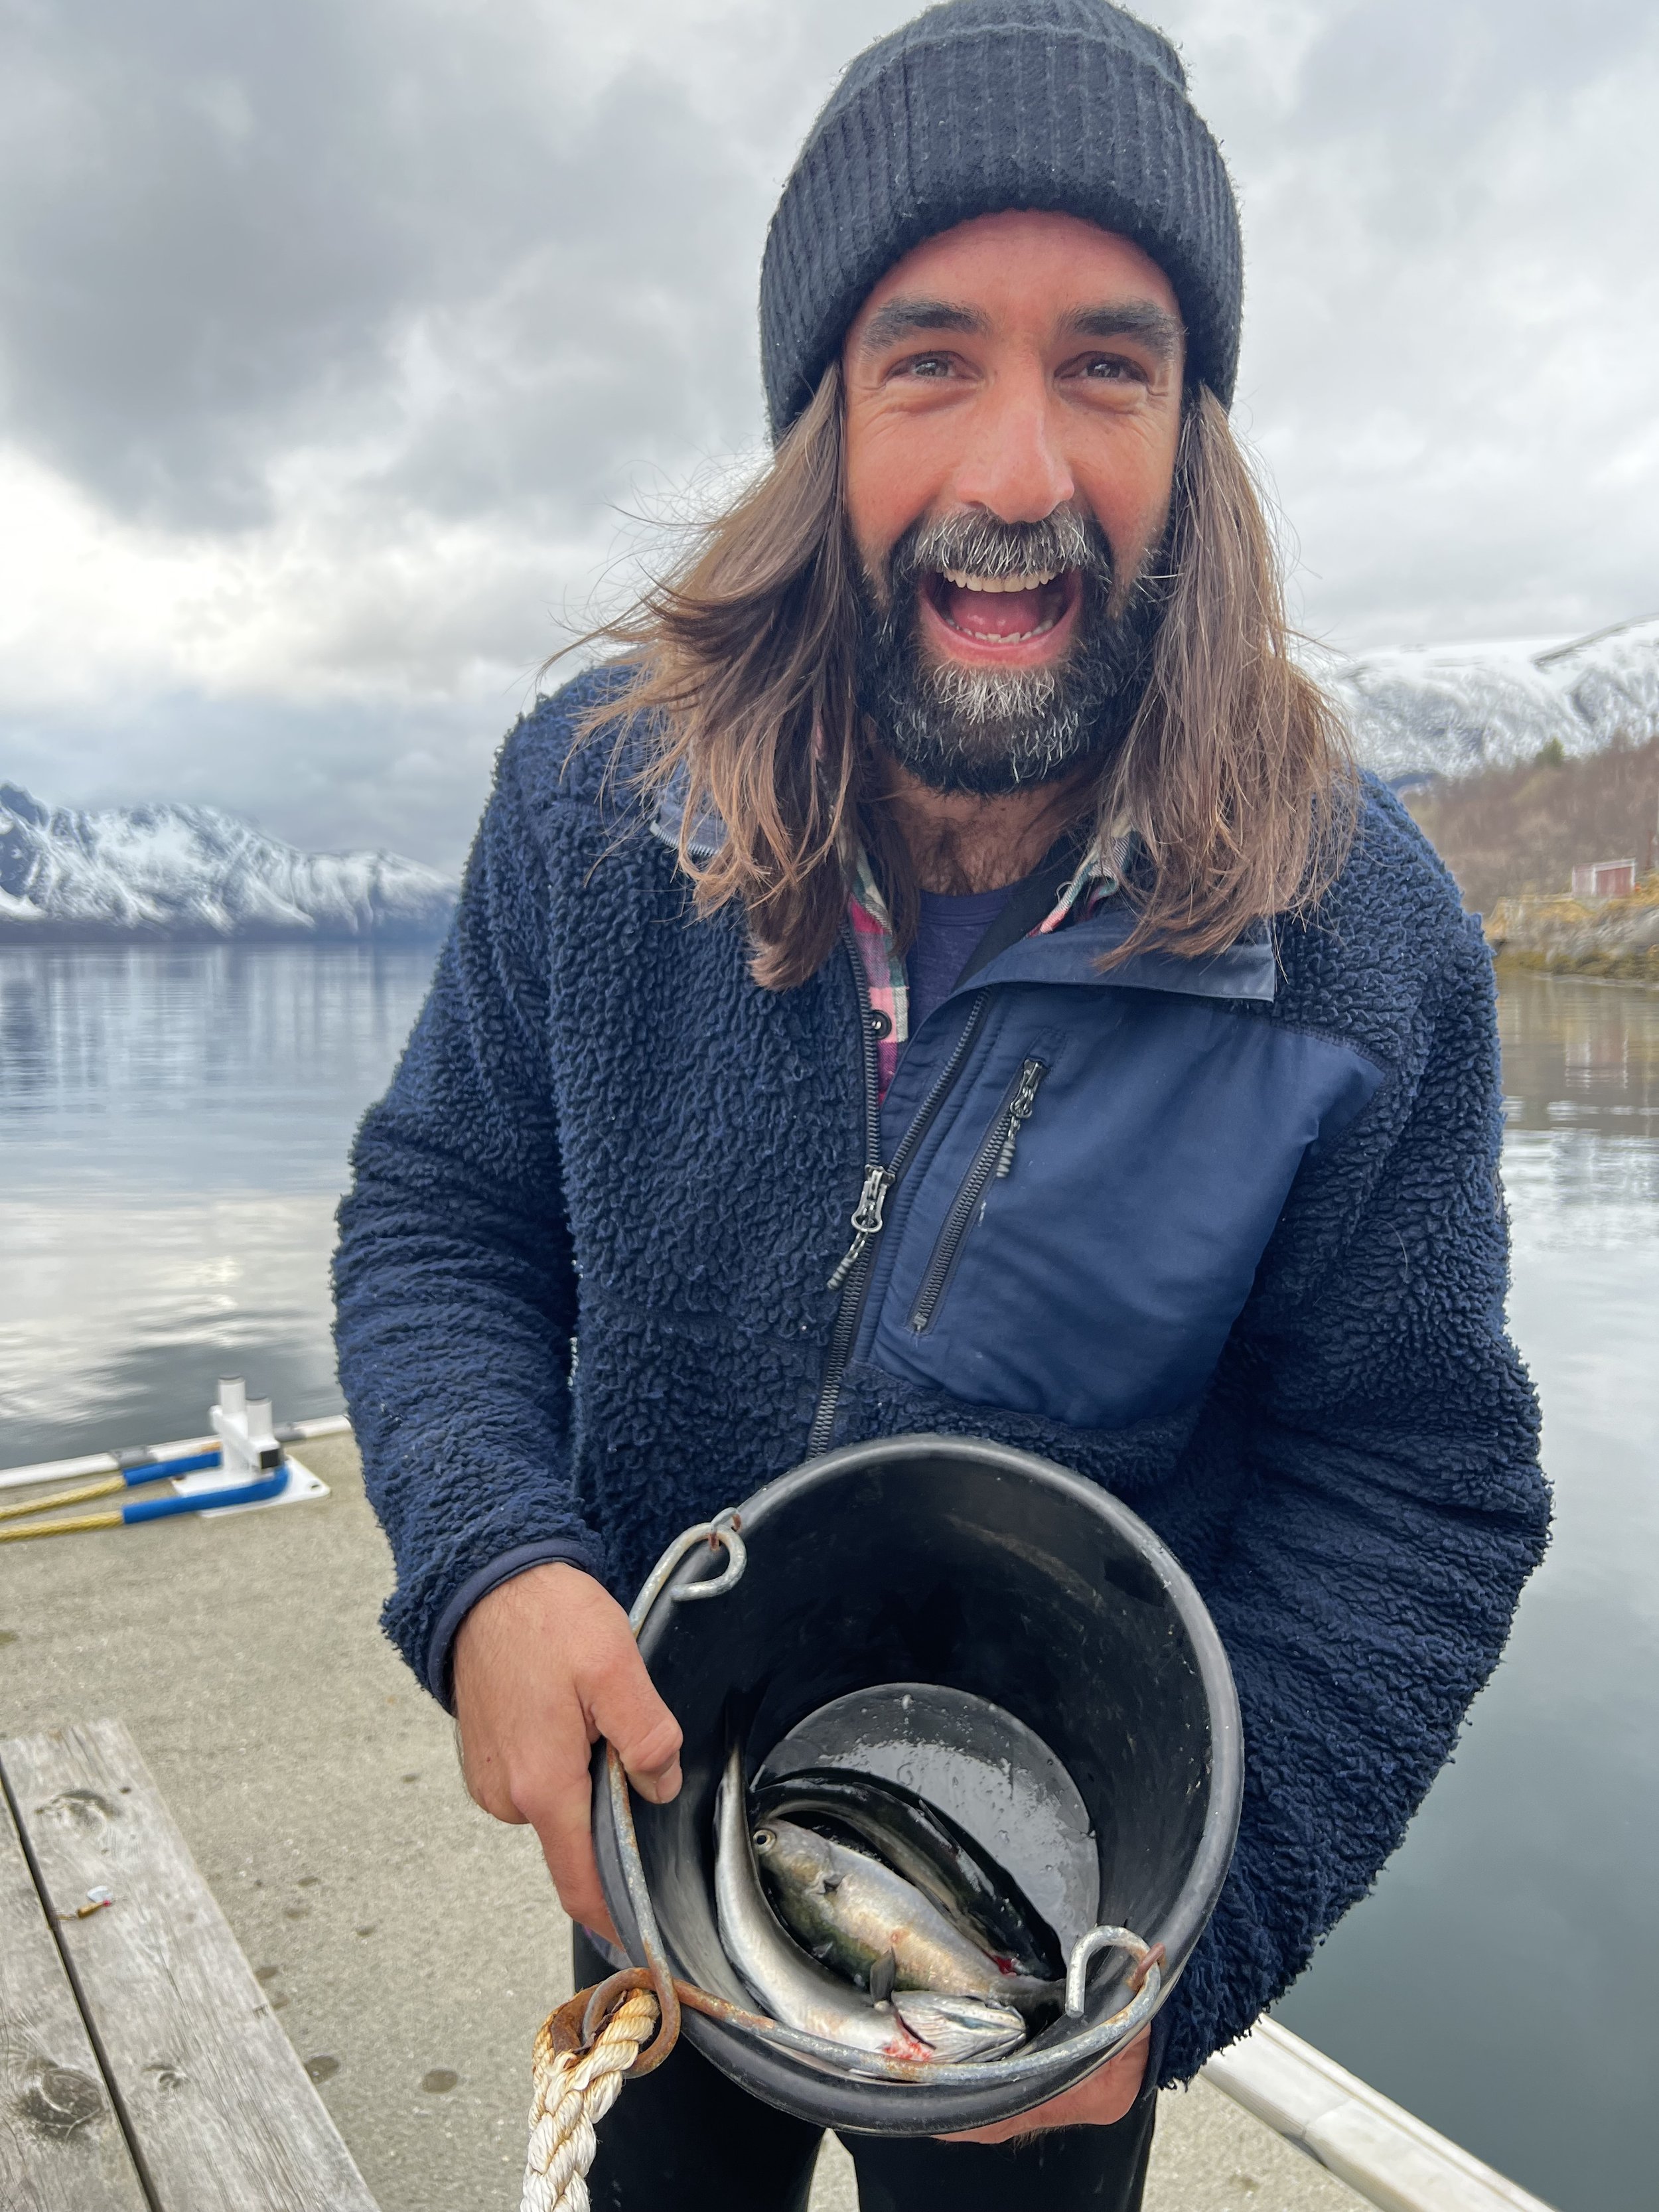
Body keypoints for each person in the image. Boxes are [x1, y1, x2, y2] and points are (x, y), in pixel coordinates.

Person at [333, 3, 1549, 2205]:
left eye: (1108, 361)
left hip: (1060, 1921)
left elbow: (1415, 1483)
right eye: (928, 361)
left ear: (1196, 426)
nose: (1016, 475)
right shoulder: (592, 814)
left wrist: (1207, 1934)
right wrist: (491, 1559)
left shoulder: (1362, 941)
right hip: (650, 1824)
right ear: (820, 417)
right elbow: (446, 1215)